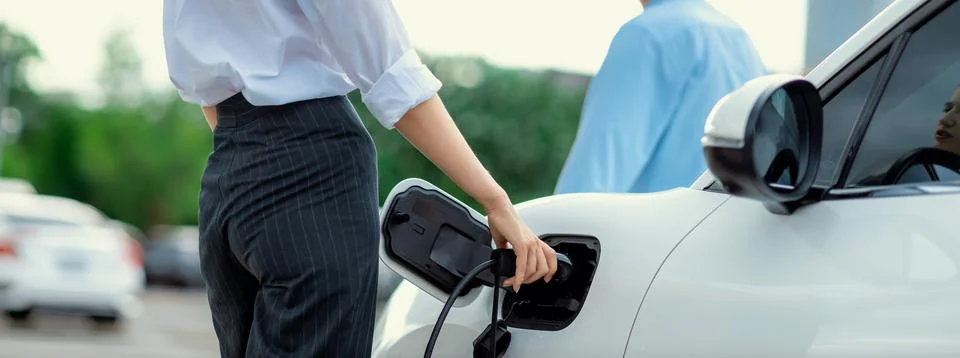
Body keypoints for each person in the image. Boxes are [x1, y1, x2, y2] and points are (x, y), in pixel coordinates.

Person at [161, 1, 558, 357]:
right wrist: (496, 201)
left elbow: (205, 90)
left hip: (227, 169)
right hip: (313, 167)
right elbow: (392, 74)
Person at [554, 0, 766, 194]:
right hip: (727, 221)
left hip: (654, 223)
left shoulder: (648, 34)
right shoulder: (739, 38)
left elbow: (592, 177)